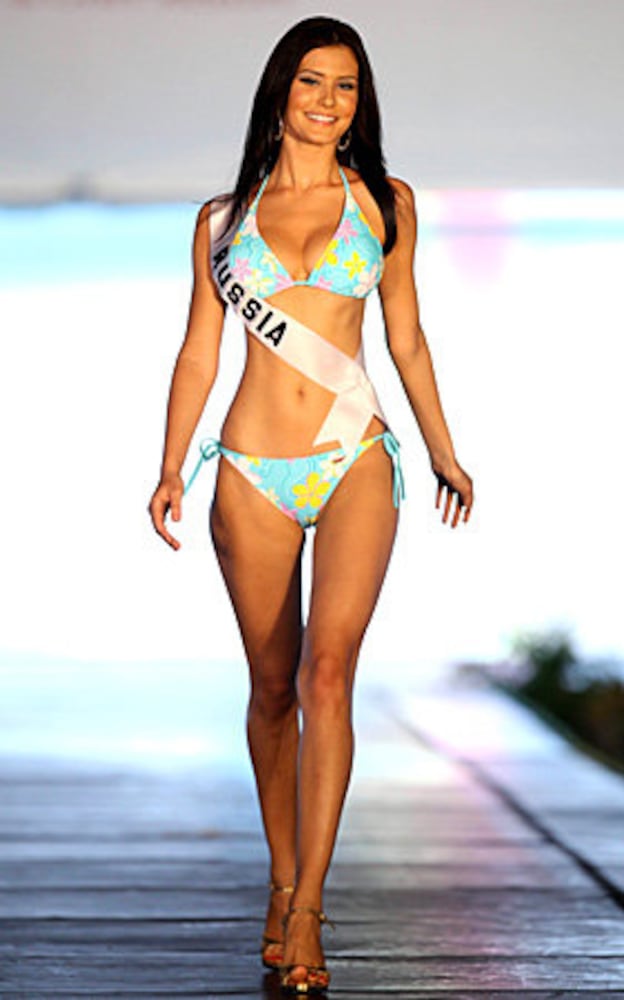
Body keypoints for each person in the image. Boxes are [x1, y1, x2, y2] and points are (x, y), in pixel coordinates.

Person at [149, 15, 473, 995]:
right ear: (280, 93)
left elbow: (407, 338)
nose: (329, 101)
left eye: (346, 85)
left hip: (354, 455)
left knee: (329, 673)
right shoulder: (221, 220)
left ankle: (308, 907)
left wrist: (444, 451)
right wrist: (170, 466)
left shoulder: (384, 202)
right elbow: (200, 349)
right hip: (249, 469)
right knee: (273, 688)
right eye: (311, 81)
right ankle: (281, 874)